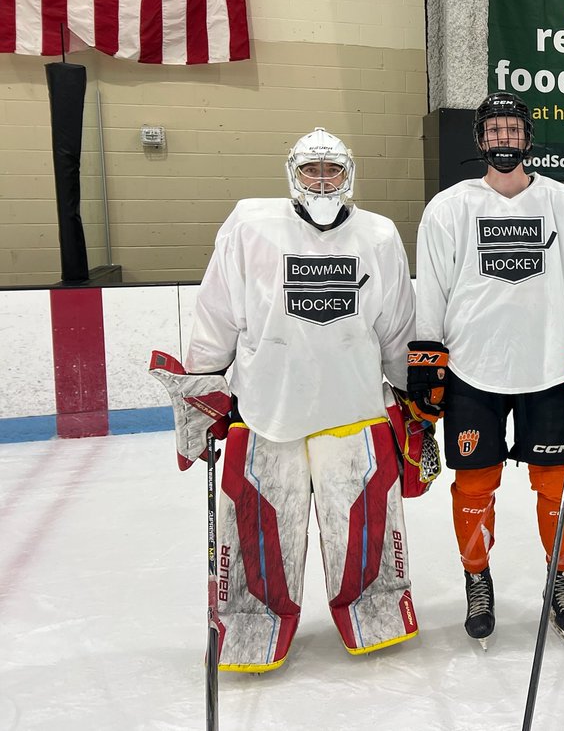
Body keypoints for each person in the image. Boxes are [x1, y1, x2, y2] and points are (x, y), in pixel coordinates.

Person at [154, 128, 427, 672]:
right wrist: (206, 383)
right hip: (267, 410)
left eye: (333, 171)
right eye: (311, 170)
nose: (323, 180)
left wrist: (409, 392)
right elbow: (217, 311)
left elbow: (397, 323)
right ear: (292, 173)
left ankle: (373, 609)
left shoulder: (378, 233)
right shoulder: (251, 226)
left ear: (350, 174)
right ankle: (253, 620)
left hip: (355, 410)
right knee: (262, 526)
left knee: (364, 524)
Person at [408, 91, 564, 650]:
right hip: (473, 371)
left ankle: (560, 581)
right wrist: (427, 361)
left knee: (557, 487)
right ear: (480, 140)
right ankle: (477, 580)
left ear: (527, 138)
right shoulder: (449, 207)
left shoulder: (562, 204)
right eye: (494, 130)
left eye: (513, 130)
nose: (504, 139)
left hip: (546, 370)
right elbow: (434, 289)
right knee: (473, 486)